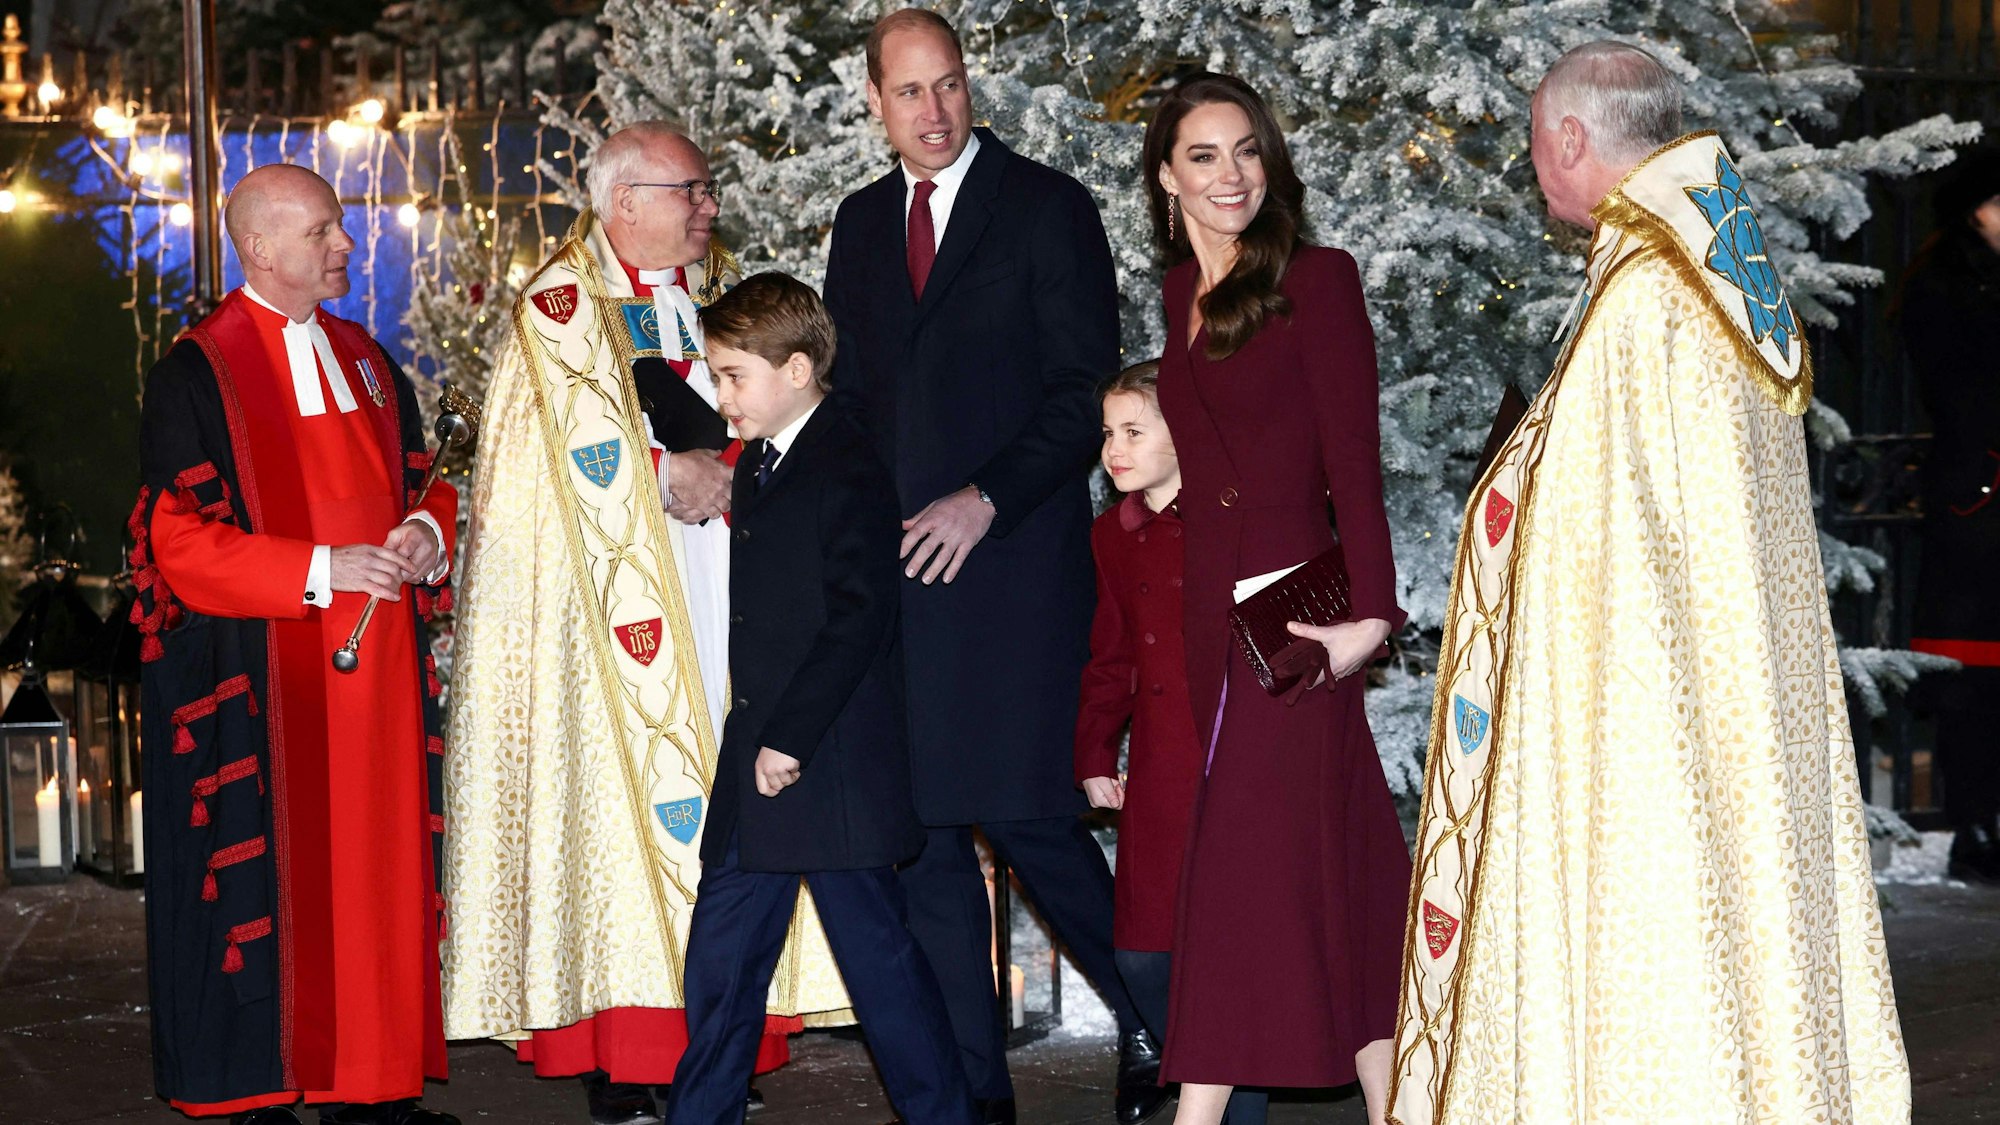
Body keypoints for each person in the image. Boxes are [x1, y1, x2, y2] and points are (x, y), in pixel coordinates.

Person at [1388, 42, 1912, 1125]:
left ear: (1570, 139)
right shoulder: (1715, 268)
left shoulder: (1647, 297)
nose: (1533, 168)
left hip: (1646, 726)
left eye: (1534, 145)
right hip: (1727, 703)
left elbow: (1596, 536)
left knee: (1653, 940)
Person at [442, 122, 847, 1125]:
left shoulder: (725, 298)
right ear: (624, 202)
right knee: (622, 825)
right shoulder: (558, 313)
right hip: (607, 640)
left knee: (733, 804)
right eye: (691, 190)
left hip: (727, 608)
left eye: (707, 192)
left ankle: (721, 1043)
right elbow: (535, 478)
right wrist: (670, 472)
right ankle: (630, 1055)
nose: (709, 207)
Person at [819, 10, 1155, 1125]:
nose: (932, 111)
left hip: (1014, 573)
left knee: (1031, 821)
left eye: (948, 86)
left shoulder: (1047, 208)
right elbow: (850, 404)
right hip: (903, 590)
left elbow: (1081, 394)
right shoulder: (860, 225)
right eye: (908, 92)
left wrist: (985, 498)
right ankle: (970, 1096)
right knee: (921, 846)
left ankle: (1164, 1021)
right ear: (875, 101)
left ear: (969, 88)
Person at [132, 163, 458, 1124]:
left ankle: (371, 1087)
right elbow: (175, 540)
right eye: (322, 232)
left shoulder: (365, 355)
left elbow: (423, 479)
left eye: (340, 228)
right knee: (277, 881)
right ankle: (261, 1091)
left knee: (378, 881)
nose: (345, 246)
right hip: (265, 678)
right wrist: (322, 571)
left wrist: (425, 534)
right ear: (261, 248)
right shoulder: (198, 370)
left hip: (377, 679)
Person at [1142, 74, 1408, 1125]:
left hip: (1294, 635)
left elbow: (1355, 463)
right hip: (1215, 633)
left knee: (1237, 880)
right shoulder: (1175, 296)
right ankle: (1399, 1105)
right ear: (1165, 177)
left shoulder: (1320, 281)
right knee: (1330, 874)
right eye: (1202, 156)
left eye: (1245, 151)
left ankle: (1194, 1117)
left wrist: (1370, 623)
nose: (1230, 175)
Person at [662, 272, 977, 1125]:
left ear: (797, 369)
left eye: (734, 376)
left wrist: (790, 737)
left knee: (880, 964)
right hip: (759, 749)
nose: (722, 396)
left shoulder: (845, 457)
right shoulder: (766, 458)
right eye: (717, 376)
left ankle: (945, 1114)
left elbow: (860, 615)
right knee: (723, 957)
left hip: (824, 759)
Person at [1074, 362, 1253, 1125]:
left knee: (1227, 960)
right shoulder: (1112, 535)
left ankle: (1231, 1107)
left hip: (1232, 765)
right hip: (1156, 772)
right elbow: (1111, 653)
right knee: (1143, 952)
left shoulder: (1232, 516)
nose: (1114, 448)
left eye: (1134, 430)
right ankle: (1217, 1088)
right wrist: (1092, 753)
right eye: (1108, 432)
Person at [1898, 146, 2000, 884]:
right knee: (1973, 679)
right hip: (1980, 504)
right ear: (1975, 211)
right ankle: (1976, 825)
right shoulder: (1946, 284)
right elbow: (1962, 394)